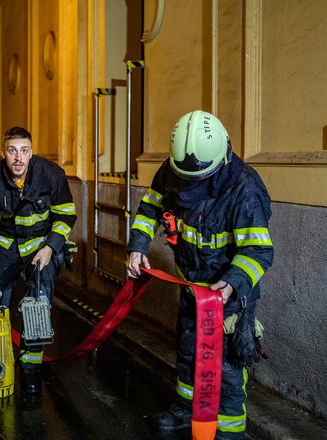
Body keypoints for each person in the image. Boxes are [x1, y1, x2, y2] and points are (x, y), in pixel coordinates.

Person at [126, 110, 274, 439]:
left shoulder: (244, 189)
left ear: (221, 160)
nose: (189, 187)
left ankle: (229, 431)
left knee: (227, 369)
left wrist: (233, 282)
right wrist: (137, 246)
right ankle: (185, 410)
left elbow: (259, 251)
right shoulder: (172, 170)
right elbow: (150, 207)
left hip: (229, 300)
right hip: (192, 287)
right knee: (189, 349)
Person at [0, 126, 77, 394]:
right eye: (11, 151)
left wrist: (51, 248)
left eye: (23, 150)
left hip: (41, 248)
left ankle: (31, 372)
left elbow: (66, 216)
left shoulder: (52, 174)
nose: (18, 158)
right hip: (6, 248)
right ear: (3, 153)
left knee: (37, 302)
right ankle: (0, 363)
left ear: (31, 152)